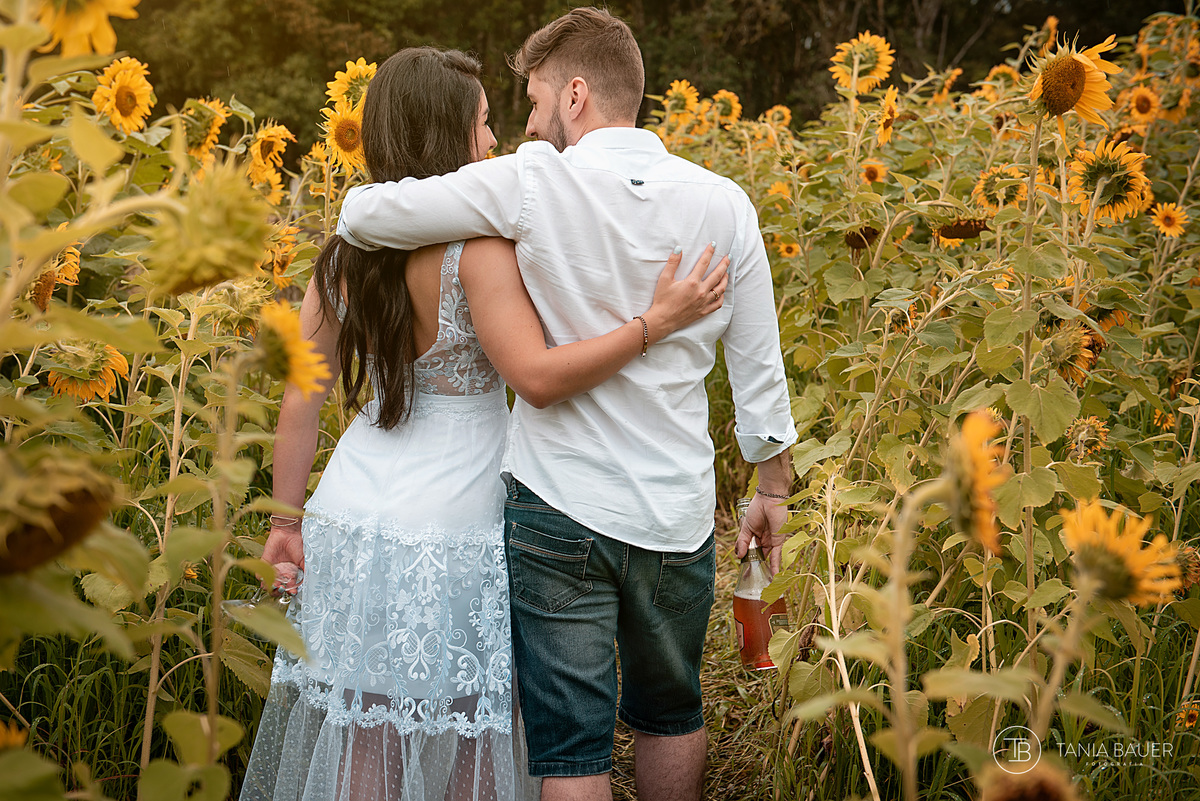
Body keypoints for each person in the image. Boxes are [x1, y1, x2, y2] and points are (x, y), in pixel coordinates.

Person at [239, 46, 728, 801]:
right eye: (484, 124)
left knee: (364, 735)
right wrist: (650, 324)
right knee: (477, 739)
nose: (496, 141)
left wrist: (284, 516)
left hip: (353, 518)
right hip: (464, 523)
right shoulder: (478, 249)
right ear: (446, 136)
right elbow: (535, 375)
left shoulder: (346, 253)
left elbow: (300, 396)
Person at [335, 9, 798, 801]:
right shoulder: (726, 204)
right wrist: (771, 488)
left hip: (559, 506)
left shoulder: (528, 180)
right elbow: (760, 370)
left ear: (576, 94)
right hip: (674, 511)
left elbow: (362, 215)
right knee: (670, 714)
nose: (528, 120)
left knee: (572, 751)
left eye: (536, 99)